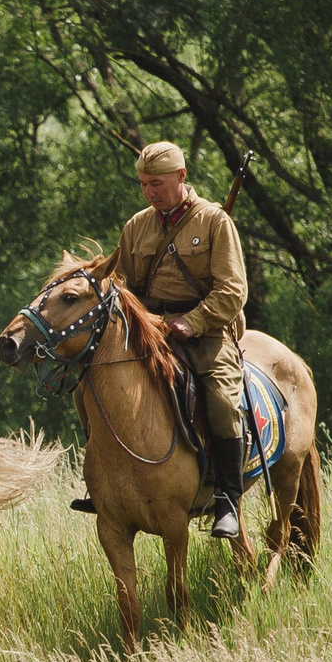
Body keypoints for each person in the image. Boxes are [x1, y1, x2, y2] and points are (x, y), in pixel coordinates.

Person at [112, 140, 250, 538]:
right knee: (99, 384)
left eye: (156, 183)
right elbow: (123, 286)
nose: (149, 192)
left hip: (206, 334)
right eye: (143, 184)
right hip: (151, 333)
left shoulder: (214, 221)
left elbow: (233, 290)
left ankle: (227, 499)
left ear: (181, 176)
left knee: (222, 402)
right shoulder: (136, 226)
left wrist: (193, 321)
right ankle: (108, 484)